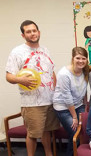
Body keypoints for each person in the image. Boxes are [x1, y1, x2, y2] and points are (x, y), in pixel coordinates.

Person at [5, 20, 60, 156]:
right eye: (28, 31)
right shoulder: (17, 52)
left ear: (38, 32)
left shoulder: (45, 50)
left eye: (34, 30)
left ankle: (49, 154)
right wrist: (20, 79)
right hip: (32, 103)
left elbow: (51, 72)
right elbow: (9, 76)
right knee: (33, 134)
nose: (32, 33)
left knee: (47, 131)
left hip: (49, 100)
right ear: (23, 35)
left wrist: (55, 91)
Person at [53, 47, 89, 156]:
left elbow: (84, 89)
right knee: (75, 132)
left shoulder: (85, 71)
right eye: (78, 58)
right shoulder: (64, 74)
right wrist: (74, 117)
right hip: (63, 107)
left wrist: (85, 104)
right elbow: (67, 97)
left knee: (83, 130)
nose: (81, 61)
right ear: (72, 58)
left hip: (78, 105)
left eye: (83, 58)